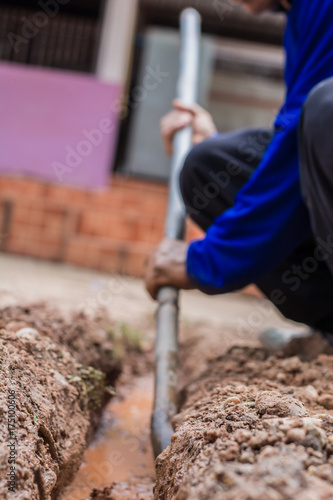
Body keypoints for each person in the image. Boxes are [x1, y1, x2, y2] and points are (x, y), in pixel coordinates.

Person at [144, 0, 333, 357]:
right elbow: (302, 149)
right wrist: (213, 145)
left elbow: (300, 145)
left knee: (328, 107)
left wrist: (207, 260)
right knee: (210, 166)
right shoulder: (300, 17)